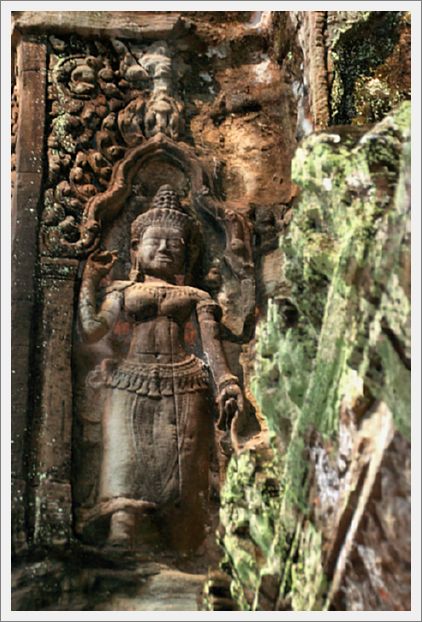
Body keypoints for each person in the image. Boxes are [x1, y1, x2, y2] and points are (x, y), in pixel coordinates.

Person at [78, 185, 243, 549]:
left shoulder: (196, 297)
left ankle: (179, 532)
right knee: (125, 455)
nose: (166, 249)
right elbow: (92, 331)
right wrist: (89, 280)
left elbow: (212, 347)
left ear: (188, 254)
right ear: (136, 250)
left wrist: (227, 382)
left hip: (185, 379)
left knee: (180, 458)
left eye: (175, 244)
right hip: (128, 378)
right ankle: (123, 524)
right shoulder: (121, 290)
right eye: (156, 241)